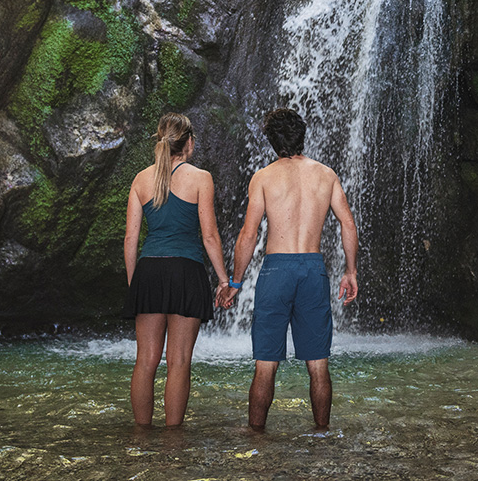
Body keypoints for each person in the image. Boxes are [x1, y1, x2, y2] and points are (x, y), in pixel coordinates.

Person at [219, 108, 358, 432]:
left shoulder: (264, 177)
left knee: (265, 365)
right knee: (318, 365)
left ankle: (256, 438)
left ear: (271, 141)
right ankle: (322, 433)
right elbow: (347, 224)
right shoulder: (326, 174)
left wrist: (235, 282)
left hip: (276, 271)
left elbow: (248, 234)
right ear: (302, 136)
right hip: (313, 269)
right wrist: (350, 271)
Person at [123, 112, 230, 427]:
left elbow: (131, 238)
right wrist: (224, 279)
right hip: (186, 271)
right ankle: (172, 441)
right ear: (190, 143)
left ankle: (141, 435)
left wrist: (135, 285)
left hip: (149, 271)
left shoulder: (141, 179)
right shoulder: (200, 178)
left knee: (145, 361)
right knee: (179, 362)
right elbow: (209, 236)